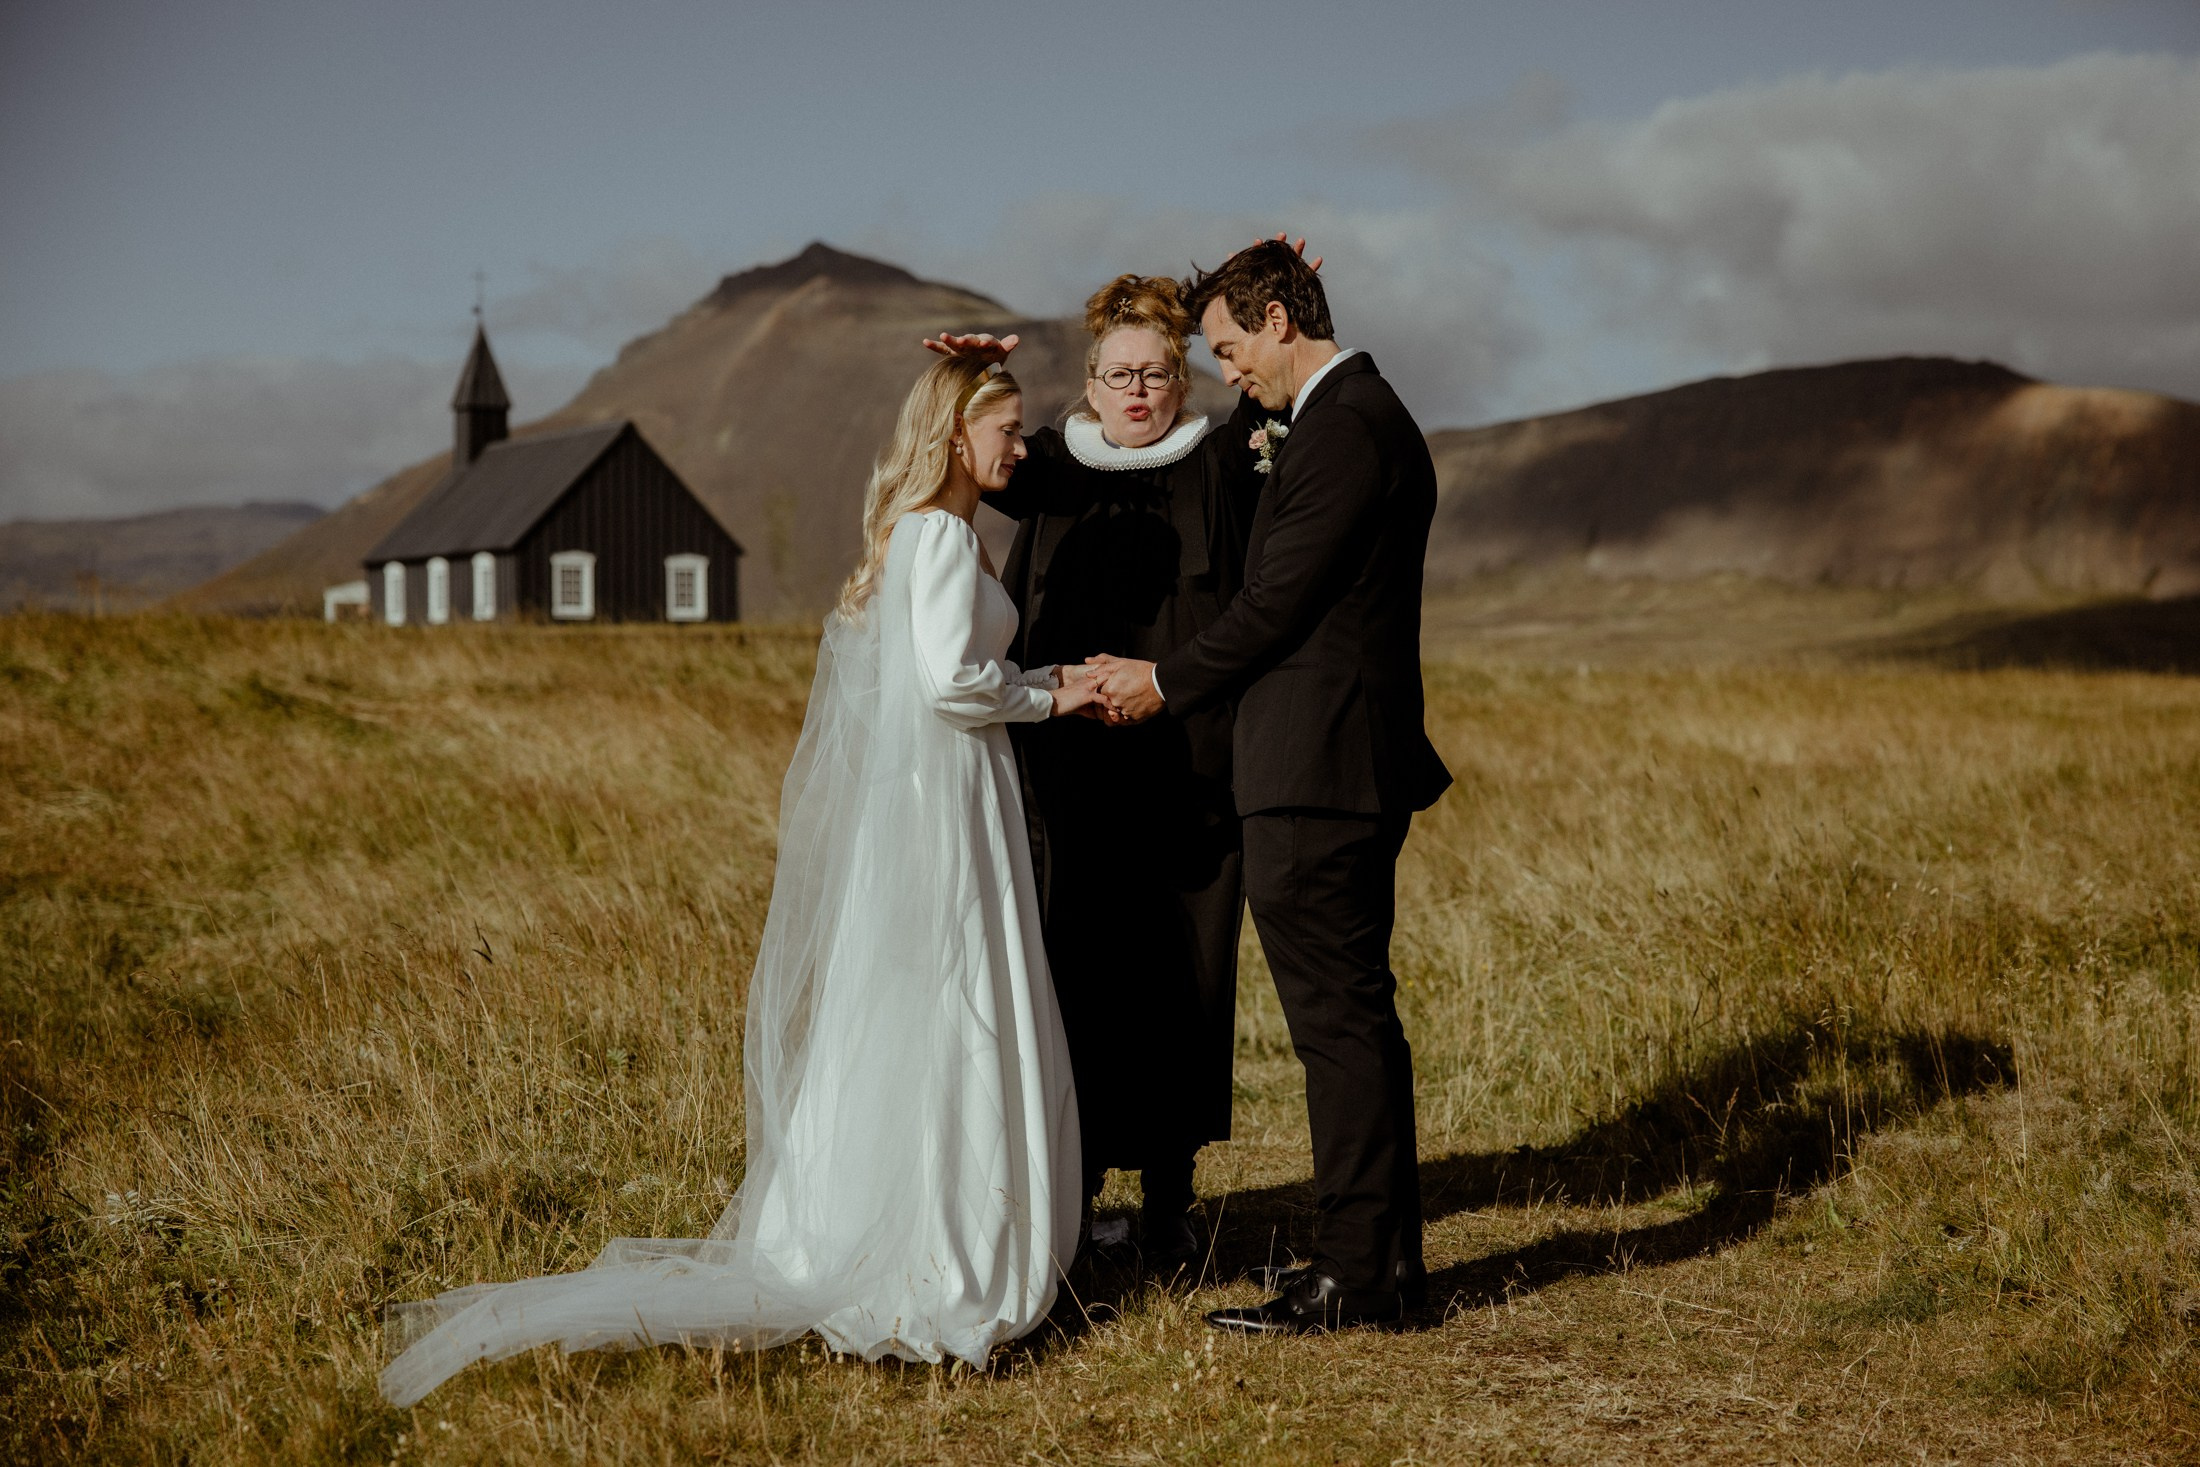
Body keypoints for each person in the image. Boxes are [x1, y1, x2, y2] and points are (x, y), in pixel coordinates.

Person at [379, 354, 1100, 1407]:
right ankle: (943, 1260)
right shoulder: (942, 536)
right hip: (950, 799)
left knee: (907, 1007)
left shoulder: (920, 533)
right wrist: (1050, 693)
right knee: (954, 1000)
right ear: (954, 438)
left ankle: (890, 1218)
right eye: (1007, 430)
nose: (1020, 449)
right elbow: (951, 683)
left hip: (932, 797)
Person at [1089, 240, 1454, 1334]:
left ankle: (1357, 1277)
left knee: (1337, 1028)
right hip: (1331, 763)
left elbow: (1276, 603)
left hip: (1316, 768)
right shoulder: (1344, 416)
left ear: (1281, 321)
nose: (1227, 367)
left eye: (1230, 345)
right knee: (1352, 1023)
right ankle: (1377, 1265)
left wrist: (1163, 680)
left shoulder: (1346, 429)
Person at [926, 273, 1264, 1269]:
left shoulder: (1222, 468)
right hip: (1068, 774)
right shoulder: (1053, 469)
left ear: (1182, 376)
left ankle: (1169, 1197)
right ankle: (1070, 1195)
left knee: (1184, 980)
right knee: (1071, 968)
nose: (1135, 392)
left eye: (1156, 373)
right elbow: (962, 459)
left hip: (1189, 779)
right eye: (1118, 374)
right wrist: (968, 368)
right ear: (1088, 378)